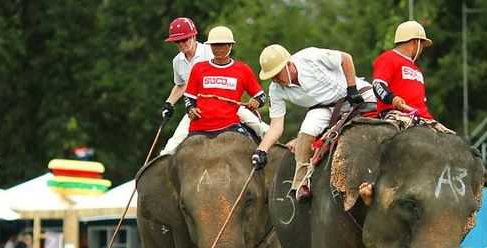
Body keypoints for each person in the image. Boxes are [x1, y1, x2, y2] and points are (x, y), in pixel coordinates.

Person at [252, 45, 376, 201]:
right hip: (323, 108)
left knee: (387, 112)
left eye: (277, 74)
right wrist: (261, 150)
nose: (276, 80)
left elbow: (346, 58)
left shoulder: (309, 57)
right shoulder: (275, 90)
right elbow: (277, 125)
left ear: (289, 64)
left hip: (352, 93)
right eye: (272, 76)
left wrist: (352, 88)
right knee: (306, 131)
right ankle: (300, 185)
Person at [161, 19, 267, 154]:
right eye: (178, 41)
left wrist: (256, 101)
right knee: (171, 146)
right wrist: (169, 103)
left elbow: (229, 73)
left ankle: (272, 154)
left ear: (194, 36)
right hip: (200, 109)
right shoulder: (177, 61)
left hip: (227, 103)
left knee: (261, 128)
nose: (182, 44)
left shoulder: (209, 50)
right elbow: (181, 85)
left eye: (185, 39)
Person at [182, 26, 266, 139]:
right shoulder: (198, 68)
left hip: (230, 126)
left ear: (230, 46)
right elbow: (188, 98)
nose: (218, 48)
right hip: (199, 127)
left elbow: (261, 96)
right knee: (174, 149)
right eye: (215, 45)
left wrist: (256, 101)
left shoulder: (243, 69)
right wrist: (191, 109)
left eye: (223, 45)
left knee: (265, 135)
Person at [372, 20, 433, 120]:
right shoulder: (388, 58)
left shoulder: (417, 69)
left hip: (422, 118)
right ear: (415, 42)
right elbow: (377, 85)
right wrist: (392, 99)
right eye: (422, 44)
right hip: (397, 115)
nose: (422, 48)